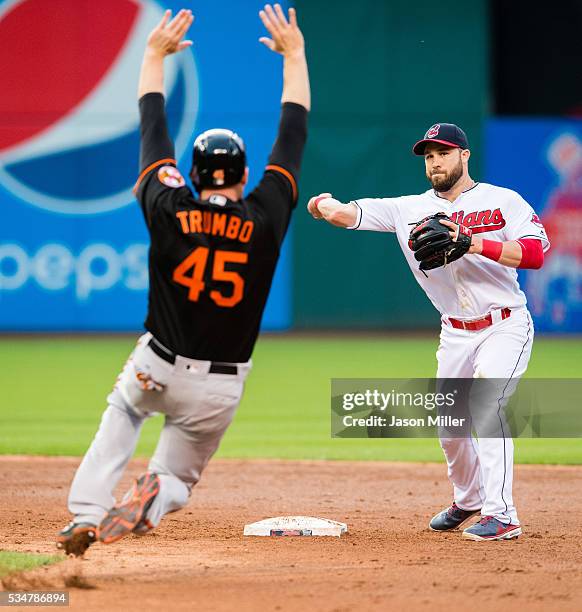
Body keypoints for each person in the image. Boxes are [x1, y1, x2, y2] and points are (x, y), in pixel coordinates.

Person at [57, 4, 310, 556]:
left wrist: (153, 55)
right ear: (245, 176)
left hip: (158, 364)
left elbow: (153, 126)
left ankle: (86, 512)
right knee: (177, 477)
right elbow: (292, 134)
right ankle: (155, 496)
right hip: (219, 385)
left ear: (191, 175)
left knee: (123, 412)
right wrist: (295, 57)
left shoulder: (169, 205)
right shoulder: (266, 216)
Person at [307, 123, 550, 541]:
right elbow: (351, 213)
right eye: (428, 155)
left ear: (464, 155)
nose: (435, 161)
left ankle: (502, 515)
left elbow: (534, 253)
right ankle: (468, 498)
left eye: (443, 152)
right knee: (449, 421)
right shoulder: (408, 209)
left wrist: (474, 242)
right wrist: (323, 204)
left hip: (504, 324)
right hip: (454, 331)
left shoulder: (502, 201)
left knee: (486, 407)